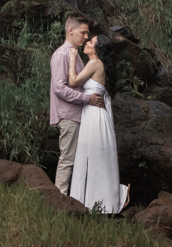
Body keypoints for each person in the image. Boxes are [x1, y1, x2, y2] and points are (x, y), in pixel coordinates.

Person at [66, 35, 129, 214]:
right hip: (96, 113)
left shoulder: (95, 63)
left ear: (97, 49)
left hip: (94, 115)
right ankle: (99, 200)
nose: (87, 43)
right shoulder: (98, 64)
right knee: (95, 157)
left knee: (90, 155)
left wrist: (72, 59)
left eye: (91, 42)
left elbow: (73, 82)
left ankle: (92, 201)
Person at [50, 16, 105, 196]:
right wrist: (86, 98)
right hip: (69, 115)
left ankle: (75, 198)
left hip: (78, 115)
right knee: (67, 160)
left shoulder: (75, 55)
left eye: (87, 33)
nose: (86, 36)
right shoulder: (62, 54)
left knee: (76, 159)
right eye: (83, 32)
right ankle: (59, 201)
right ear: (70, 31)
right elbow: (59, 88)